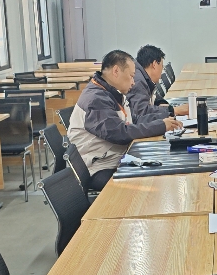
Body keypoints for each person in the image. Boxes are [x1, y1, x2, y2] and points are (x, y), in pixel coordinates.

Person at [68, 49, 181, 191]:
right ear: (116, 71)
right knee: (150, 182)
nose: (133, 82)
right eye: (131, 76)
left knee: (160, 165)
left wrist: (165, 119)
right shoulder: (95, 99)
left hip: (114, 157)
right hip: (97, 168)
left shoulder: (112, 92)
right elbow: (120, 133)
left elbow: (135, 119)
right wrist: (160, 126)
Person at [126, 44, 185, 125]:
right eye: (161, 66)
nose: (161, 71)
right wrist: (174, 110)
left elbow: (154, 97)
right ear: (154, 64)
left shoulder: (143, 76)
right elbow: (142, 112)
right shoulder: (138, 81)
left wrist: (160, 103)